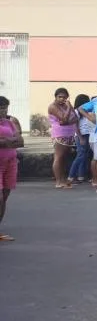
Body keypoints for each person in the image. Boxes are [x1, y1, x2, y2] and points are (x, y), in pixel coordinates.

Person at [0, 96, 24, 242]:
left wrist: (5, 142)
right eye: (1, 107)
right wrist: (9, 141)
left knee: (5, 195)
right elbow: (12, 141)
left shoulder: (9, 123)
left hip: (11, 162)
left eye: (5, 108)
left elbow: (20, 141)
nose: (3, 111)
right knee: (0, 198)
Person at [48, 87, 79, 188]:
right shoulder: (53, 106)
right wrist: (69, 108)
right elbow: (64, 118)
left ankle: (63, 180)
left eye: (64, 97)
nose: (62, 99)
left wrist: (66, 121)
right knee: (58, 157)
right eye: (60, 97)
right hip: (59, 134)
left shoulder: (66, 106)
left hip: (69, 134)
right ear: (56, 97)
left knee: (65, 158)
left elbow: (75, 118)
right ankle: (58, 181)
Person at [68, 94, 94, 184]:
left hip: (87, 134)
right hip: (81, 135)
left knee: (85, 156)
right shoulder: (77, 112)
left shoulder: (86, 111)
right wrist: (80, 138)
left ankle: (81, 176)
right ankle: (71, 176)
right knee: (81, 155)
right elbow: (75, 126)